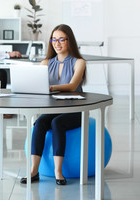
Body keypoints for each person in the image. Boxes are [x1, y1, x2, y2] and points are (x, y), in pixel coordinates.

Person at [20, 24, 86, 185]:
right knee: (41, 122)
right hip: (55, 108)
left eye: (61, 39)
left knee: (57, 123)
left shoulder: (79, 62)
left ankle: (58, 171)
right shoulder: (46, 63)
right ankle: (34, 171)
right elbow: (36, 84)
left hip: (75, 109)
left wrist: (52, 87)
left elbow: (71, 86)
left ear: (69, 41)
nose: (57, 43)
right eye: (54, 39)